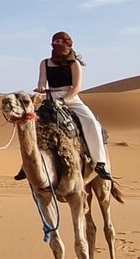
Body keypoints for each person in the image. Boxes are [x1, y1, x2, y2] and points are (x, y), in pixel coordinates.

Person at [29, 31, 112, 180]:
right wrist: (41, 88)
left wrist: (64, 101)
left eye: (61, 41)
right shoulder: (45, 63)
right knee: (31, 125)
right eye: (55, 41)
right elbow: (42, 82)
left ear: (67, 44)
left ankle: (100, 162)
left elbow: (76, 87)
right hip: (50, 98)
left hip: (71, 98)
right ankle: (28, 165)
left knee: (92, 123)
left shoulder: (74, 64)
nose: (57, 44)